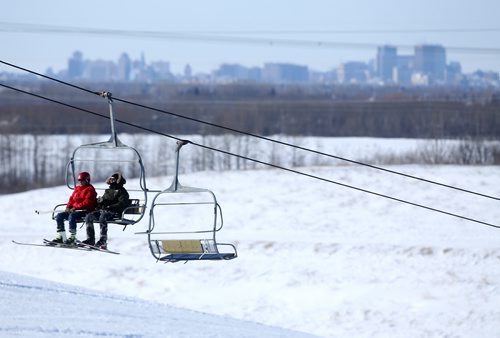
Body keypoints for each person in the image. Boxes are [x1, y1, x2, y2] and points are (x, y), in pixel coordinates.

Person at [82, 172, 130, 249]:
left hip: (114, 212)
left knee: (102, 217)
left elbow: (122, 203)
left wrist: (110, 207)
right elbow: (104, 201)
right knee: (89, 216)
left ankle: (103, 240)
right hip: (105, 210)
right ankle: (90, 239)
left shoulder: (122, 191)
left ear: (118, 180)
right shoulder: (108, 190)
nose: (111, 181)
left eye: (113, 179)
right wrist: (100, 202)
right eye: (111, 179)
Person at [52, 171, 97, 245]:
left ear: (87, 180)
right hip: (75, 210)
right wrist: (68, 207)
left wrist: (75, 207)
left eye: (82, 180)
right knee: (59, 216)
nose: (80, 182)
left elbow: (87, 202)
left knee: (71, 216)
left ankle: (72, 237)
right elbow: (72, 199)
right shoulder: (78, 188)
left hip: (85, 211)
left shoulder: (90, 189)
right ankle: (61, 236)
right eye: (79, 180)